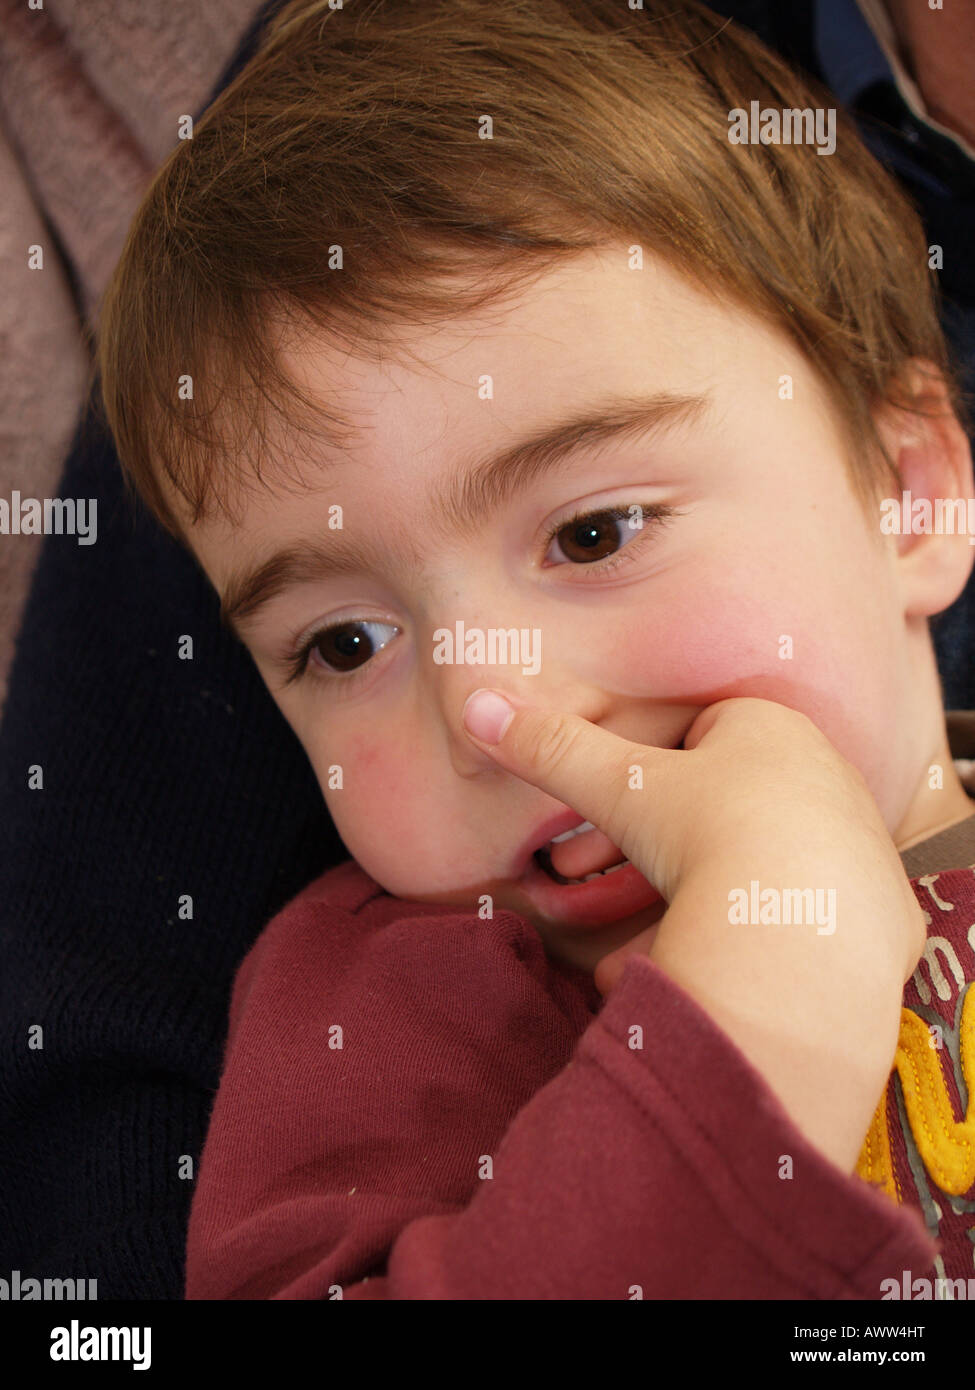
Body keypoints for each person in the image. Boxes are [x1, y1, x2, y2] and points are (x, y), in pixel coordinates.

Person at [92, 0, 975, 1297]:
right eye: (345, 641)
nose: (486, 708)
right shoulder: (379, 1016)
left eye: (596, 531)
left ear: (909, 494)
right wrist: (770, 987)